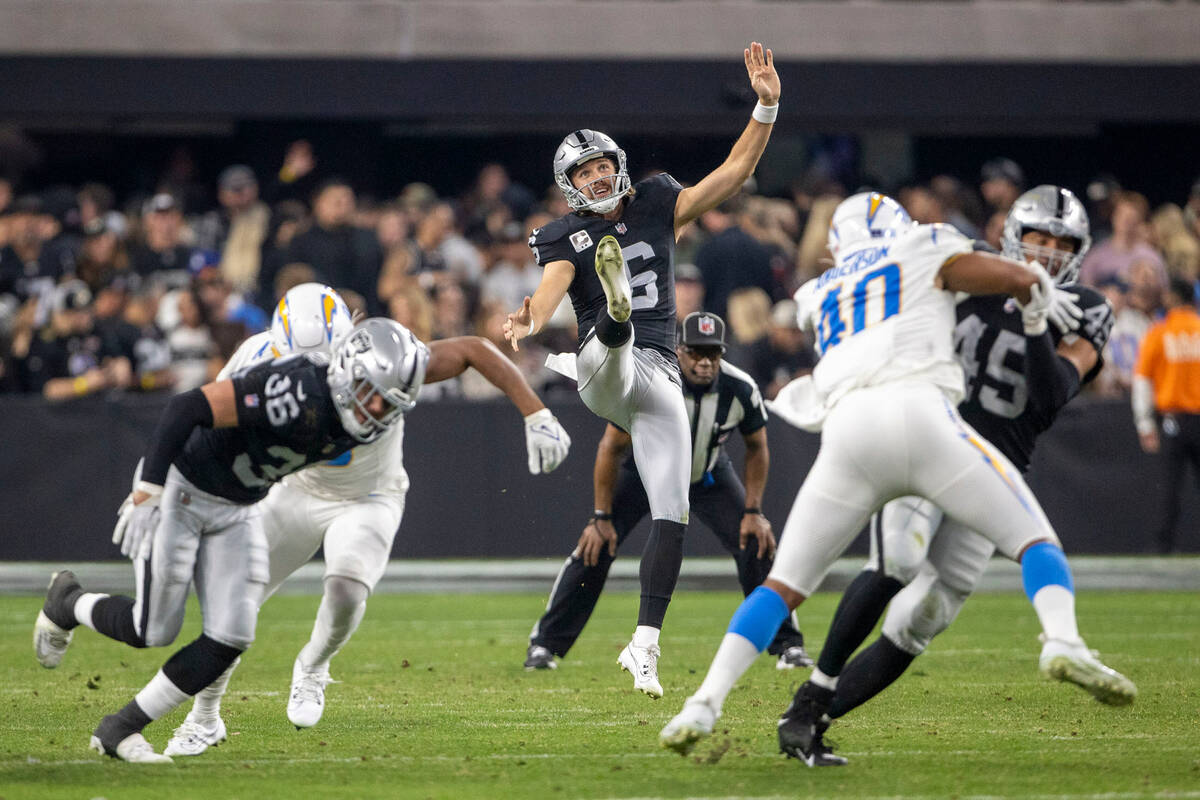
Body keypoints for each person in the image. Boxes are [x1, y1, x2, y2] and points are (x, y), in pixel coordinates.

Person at [658, 191, 1136, 761]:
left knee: (906, 613)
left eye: (1063, 244)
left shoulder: (819, 291)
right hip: (937, 428)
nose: (1050, 252)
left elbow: (1052, 393)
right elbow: (978, 275)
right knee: (933, 558)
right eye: (1040, 239)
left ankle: (742, 703)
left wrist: (1032, 311)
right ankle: (1063, 638)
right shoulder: (931, 247)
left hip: (887, 434)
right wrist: (1029, 293)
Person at [32, 308, 569, 764]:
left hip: (300, 500)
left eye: (389, 399)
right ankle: (96, 626)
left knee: (234, 630)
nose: (379, 409)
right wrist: (150, 487)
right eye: (371, 395)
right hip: (215, 493)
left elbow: (472, 350)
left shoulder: (389, 369)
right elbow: (189, 410)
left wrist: (536, 411)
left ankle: (132, 723)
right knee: (157, 627)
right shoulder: (281, 380)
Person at [504, 42, 781, 697]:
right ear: (572, 185)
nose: (599, 177)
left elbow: (732, 173)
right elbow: (549, 292)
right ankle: (618, 313)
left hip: (662, 378)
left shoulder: (656, 202)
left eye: (604, 166)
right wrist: (532, 321)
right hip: (602, 367)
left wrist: (767, 105)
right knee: (610, 346)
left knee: (672, 512)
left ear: (617, 168)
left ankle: (644, 647)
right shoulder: (564, 237)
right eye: (587, 172)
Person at [524, 312, 810, 686]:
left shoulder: (739, 388)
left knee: (756, 541)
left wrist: (754, 510)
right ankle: (545, 643)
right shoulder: (655, 381)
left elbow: (757, 446)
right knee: (595, 547)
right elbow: (610, 447)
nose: (704, 362)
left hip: (707, 475)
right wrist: (601, 516)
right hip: (645, 474)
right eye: (696, 352)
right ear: (679, 350)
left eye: (713, 353)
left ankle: (788, 644)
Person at [1133, 275, 1200, 553]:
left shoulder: (1159, 333)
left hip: (1174, 419)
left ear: (1173, 298)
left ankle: (1162, 549)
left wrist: (1145, 423)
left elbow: (1142, 380)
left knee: (1169, 489)